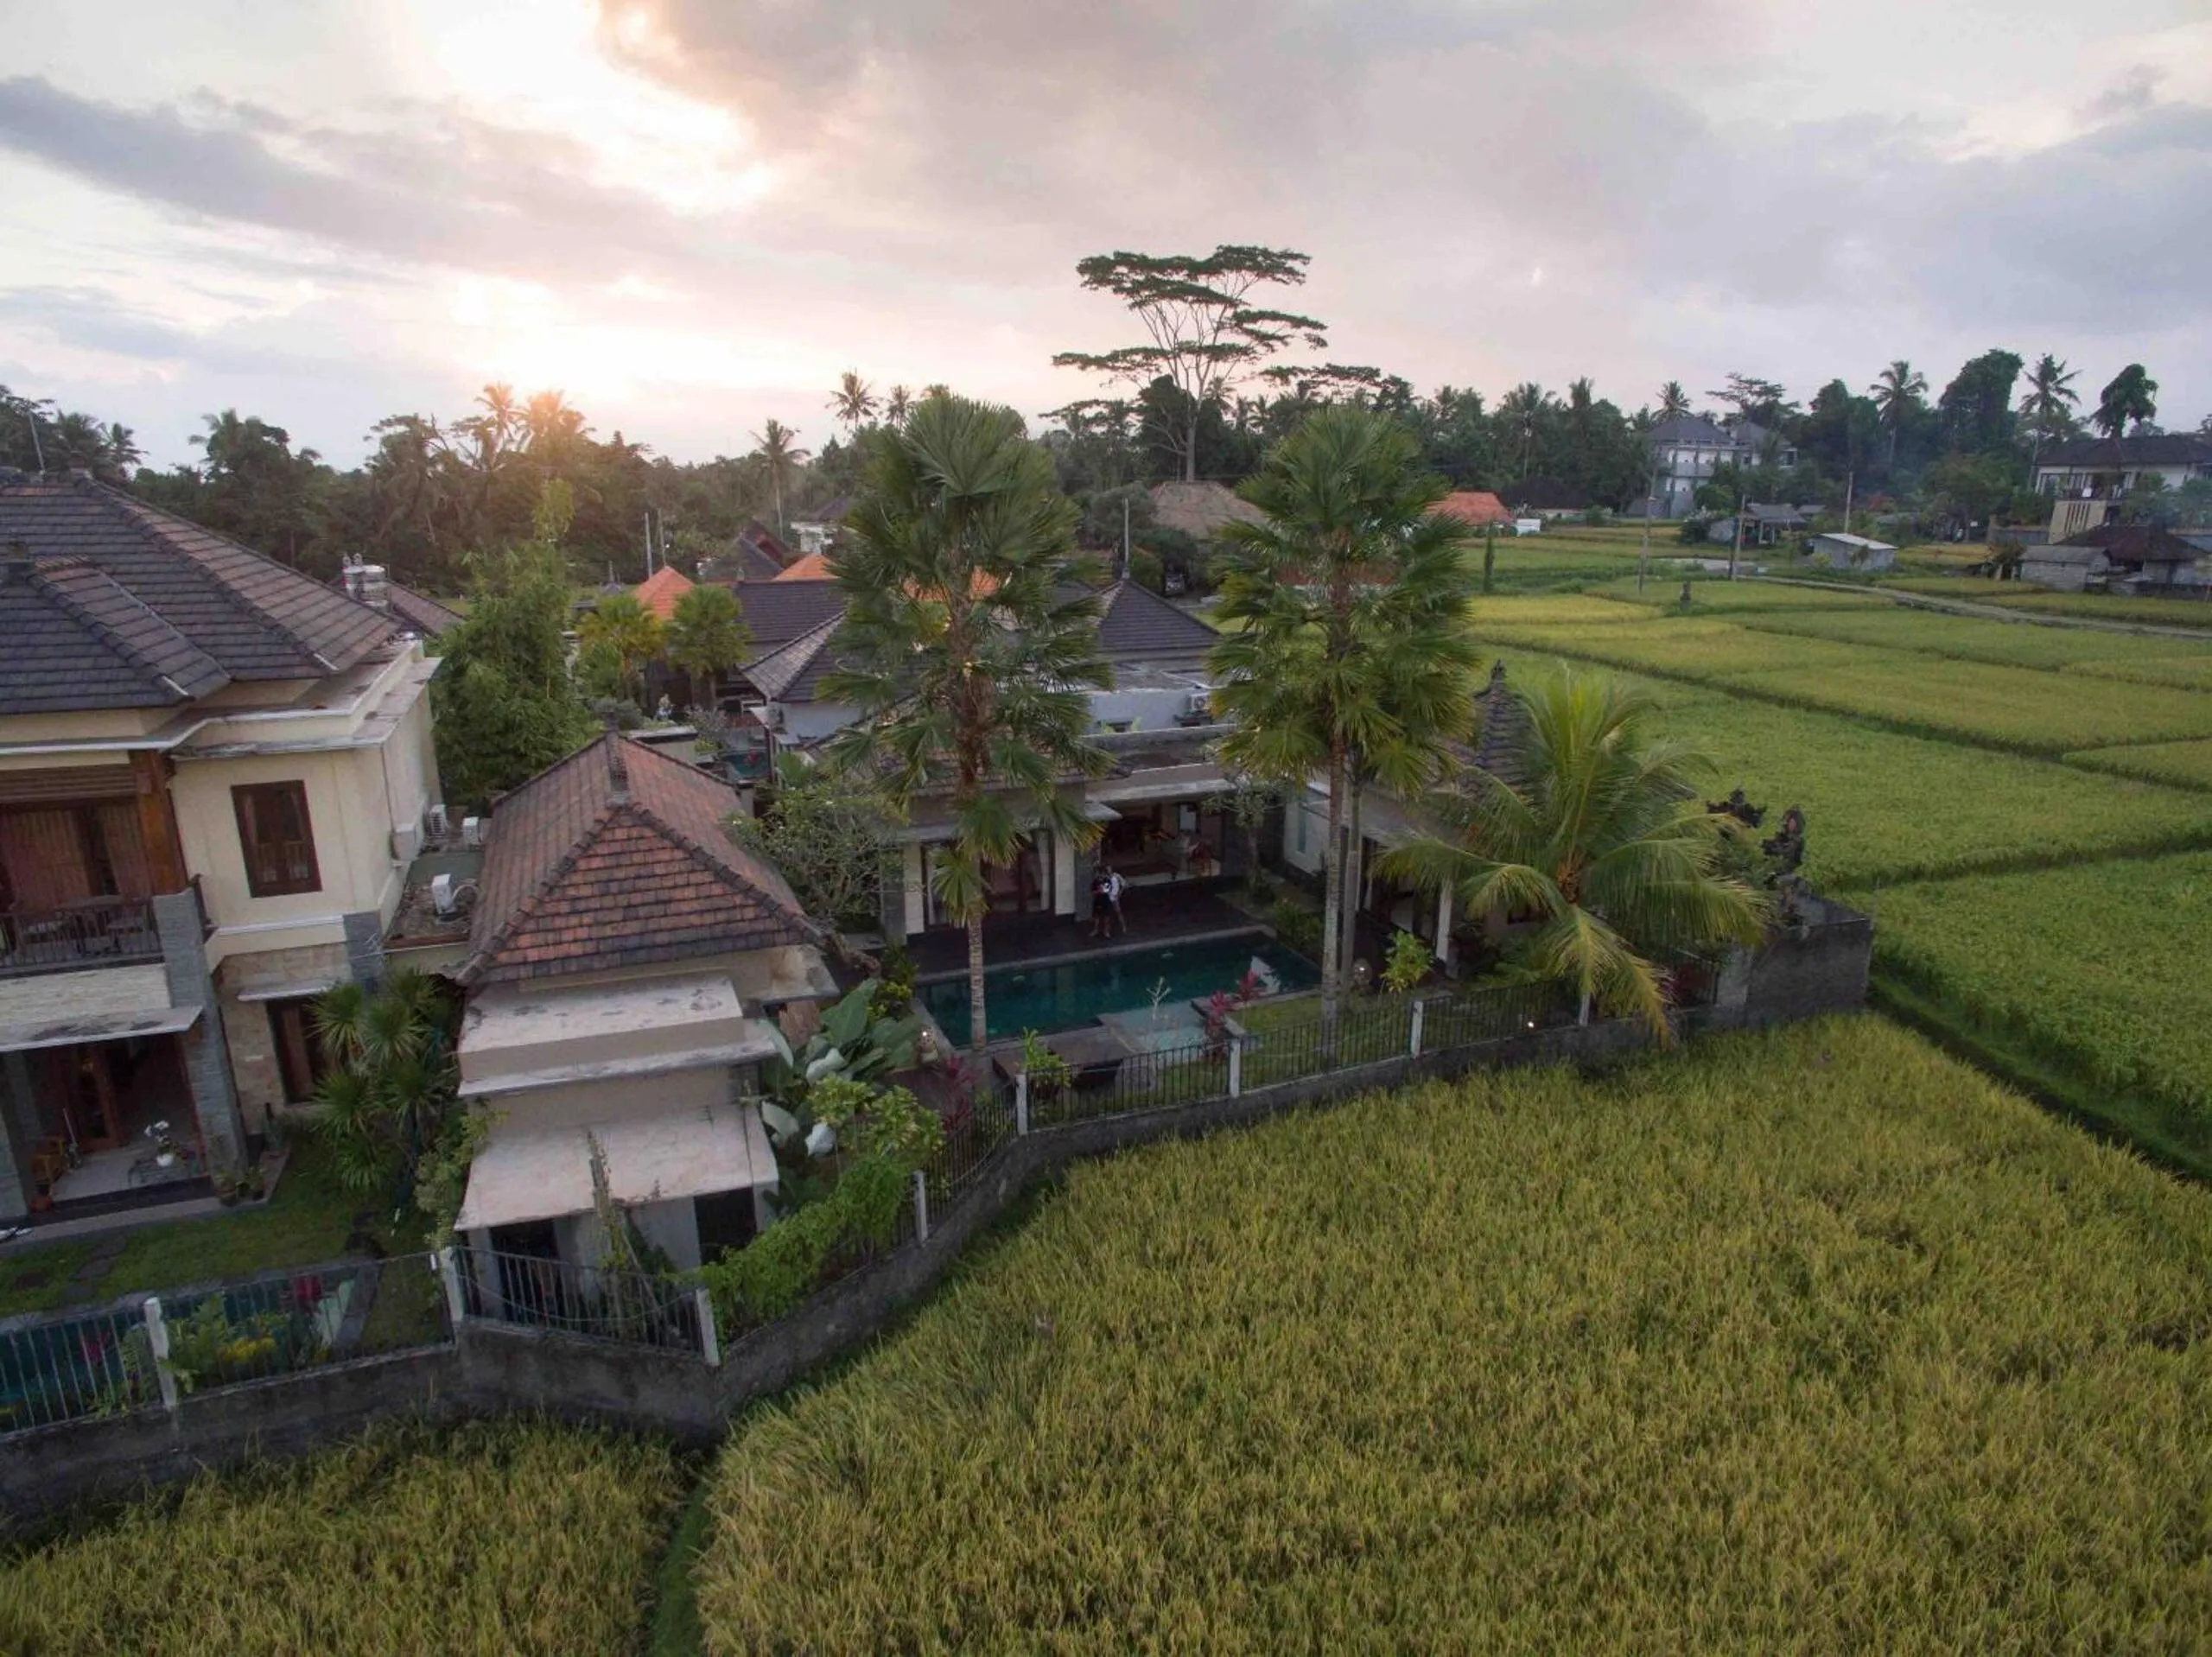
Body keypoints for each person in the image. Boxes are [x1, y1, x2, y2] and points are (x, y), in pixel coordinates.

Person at [1089, 867, 1113, 938]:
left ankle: (1106, 931)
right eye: (1097, 873)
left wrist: (1100, 891)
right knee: (1096, 916)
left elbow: (1106, 891)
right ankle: (1096, 930)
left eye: (1101, 873)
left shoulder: (1107, 880)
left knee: (1106, 916)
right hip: (1097, 900)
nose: (1099, 875)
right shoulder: (1095, 882)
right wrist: (1099, 891)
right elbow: (1093, 892)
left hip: (1105, 900)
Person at [1103, 867, 1128, 936]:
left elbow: (1123, 884)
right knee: (1108, 914)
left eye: (1109, 869)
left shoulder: (1116, 876)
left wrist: (1120, 892)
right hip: (1108, 897)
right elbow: (1105, 889)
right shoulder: (1106, 878)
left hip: (1115, 897)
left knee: (1118, 912)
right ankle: (1107, 930)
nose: (1108, 871)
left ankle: (1123, 926)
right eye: (1107, 870)